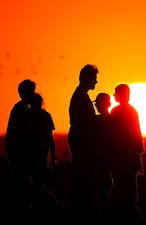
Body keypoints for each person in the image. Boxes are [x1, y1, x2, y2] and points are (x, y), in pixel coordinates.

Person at [109, 83, 145, 223]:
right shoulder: (132, 111)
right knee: (128, 187)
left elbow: (114, 134)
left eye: (116, 93)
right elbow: (137, 134)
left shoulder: (117, 112)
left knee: (122, 187)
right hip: (129, 155)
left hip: (121, 156)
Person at [67, 64, 99, 219]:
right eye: (94, 78)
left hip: (81, 141)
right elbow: (86, 123)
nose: (96, 82)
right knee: (84, 180)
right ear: (86, 78)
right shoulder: (81, 97)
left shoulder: (81, 95)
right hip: (82, 143)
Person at [4, 79, 36, 207]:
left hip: (16, 149)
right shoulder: (22, 109)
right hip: (17, 150)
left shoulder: (21, 107)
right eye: (32, 91)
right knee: (22, 180)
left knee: (22, 180)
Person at [25, 92, 57, 208]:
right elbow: (50, 139)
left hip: (32, 156)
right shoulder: (45, 116)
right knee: (39, 184)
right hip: (39, 156)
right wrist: (54, 158)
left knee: (35, 184)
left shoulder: (26, 116)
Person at [94, 92, 114, 222]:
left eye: (97, 103)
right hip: (106, 159)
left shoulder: (97, 120)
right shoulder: (113, 119)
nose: (96, 106)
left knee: (102, 189)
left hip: (101, 160)